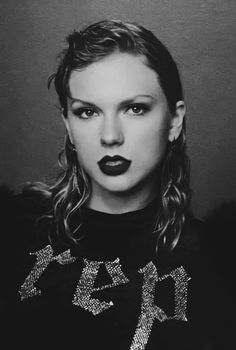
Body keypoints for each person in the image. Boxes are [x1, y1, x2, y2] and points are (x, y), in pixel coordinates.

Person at [1, 20, 234, 350]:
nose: (110, 136)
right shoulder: (12, 237)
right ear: (68, 125)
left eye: (135, 108)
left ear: (174, 120)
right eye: (88, 112)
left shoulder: (218, 264)